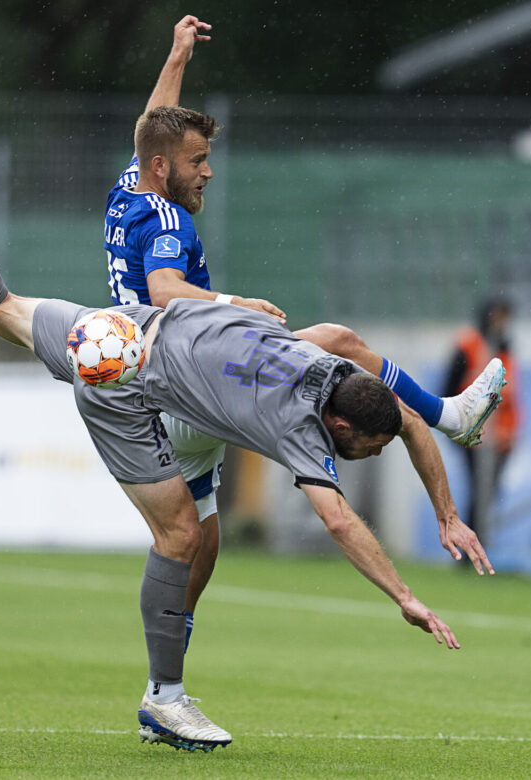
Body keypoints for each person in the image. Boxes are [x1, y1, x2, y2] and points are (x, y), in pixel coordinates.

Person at [0, 154, 496, 754]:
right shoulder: (298, 424)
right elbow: (341, 522)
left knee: (0, 306)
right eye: (367, 447)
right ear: (337, 422)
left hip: (120, 330)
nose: (374, 455)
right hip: (128, 390)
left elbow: (401, 418)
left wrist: (446, 506)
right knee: (180, 536)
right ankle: (165, 697)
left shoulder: (311, 351)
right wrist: (404, 596)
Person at [104, 16, 507, 647]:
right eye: (199, 161)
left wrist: (177, 56)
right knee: (340, 346)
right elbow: (164, 291)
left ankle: (167, 671)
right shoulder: (169, 224)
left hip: (156, 383)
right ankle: (450, 416)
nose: (208, 172)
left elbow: (155, 122)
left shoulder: (133, 186)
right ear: (165, 167)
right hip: (190, 376)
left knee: (199, 539)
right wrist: (238, 303)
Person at [442, 297, 521, 545]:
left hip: (502, 437)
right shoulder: (469, 345)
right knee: (479, 492)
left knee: (488, 492)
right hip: (474, 433)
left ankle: (477, 541)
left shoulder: (506, 347)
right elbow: (449, 387)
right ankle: (470, 546)